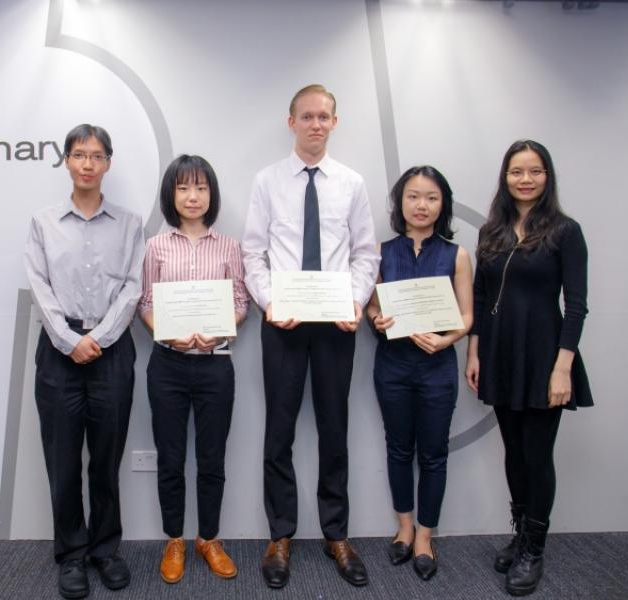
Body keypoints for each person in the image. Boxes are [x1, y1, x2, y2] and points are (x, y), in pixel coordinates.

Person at [242, 84, 380, 589]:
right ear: (291, 121)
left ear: (335, 123)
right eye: (307, 116)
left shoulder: (351, 183)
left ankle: (335, 534)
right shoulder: (268, 181)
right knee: (278, 433)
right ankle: (280, 535)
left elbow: (366, 253)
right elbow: (253, 254)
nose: (316, 124)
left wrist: (355, 300)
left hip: (335, 328)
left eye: (324, 116)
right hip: (282, 325)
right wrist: (267, 302)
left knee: (334, 430)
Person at [465, 140, 592, 596]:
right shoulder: (492, 232)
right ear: (505, 177)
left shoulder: (565, 231)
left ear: (547, 176)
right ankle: (519, 534)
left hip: (543, 356)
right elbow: (480, 297)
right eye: (516, 171)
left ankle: (534, 549)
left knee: (537, 457)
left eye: (534, 171)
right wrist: (474, 352)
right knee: (514, 453)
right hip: (499, 353)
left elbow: (575, 307)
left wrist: (563, 369)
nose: (525, 179)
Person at [24, 124, 144, 600]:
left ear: (108, 162)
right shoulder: (43, 222)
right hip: (59, 353)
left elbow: (133, 287)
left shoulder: (131, 224)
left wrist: (99, 337)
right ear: (67, 162)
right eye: (79, 154)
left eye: (97, 155)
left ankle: (105, 550)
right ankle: (71, 556)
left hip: (112, 352)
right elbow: (39, 285)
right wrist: (69, 339)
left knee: (106, 459)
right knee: (63, 460)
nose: (88, 163)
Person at [138, 154, 249, 585]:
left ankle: (209, 538)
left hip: (215, 366)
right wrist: (167, 331)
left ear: (211, 194)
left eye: (201, 187)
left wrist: (220, 330)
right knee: (170, 457)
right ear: (171, 194)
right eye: (183, 187)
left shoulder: (229, 247)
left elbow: (241, 303)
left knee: (212, 458)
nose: (192, 196)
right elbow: (145, 303)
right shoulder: (155, 247)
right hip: (166, 364)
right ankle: (174, 540)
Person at [365, 166, 473, 581]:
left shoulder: (457, 254)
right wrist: (376, 318)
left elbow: (466, 317)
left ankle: (426, 535)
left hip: (436, 367)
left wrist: (447, 341)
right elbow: (373, 306)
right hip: (392, 364)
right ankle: (404, 528)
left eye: (431, 197)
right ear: (400, 202)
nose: (421, 205)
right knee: (398, 448)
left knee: (434, 453)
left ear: (442, 203)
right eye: (413, 196)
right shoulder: (380, 251)